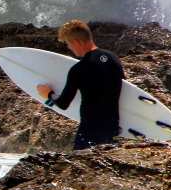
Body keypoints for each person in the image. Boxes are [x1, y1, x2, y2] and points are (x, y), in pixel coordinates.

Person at [37, 20, 124, 151]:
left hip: (89, 132)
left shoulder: (79, 69)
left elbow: (63, 103)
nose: (69, 48)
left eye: (68, 44)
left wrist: (48, 94)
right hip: (112, 130)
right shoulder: (113, 59)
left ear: (76, 42)